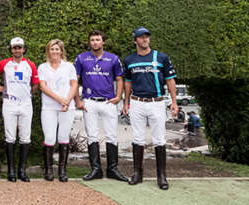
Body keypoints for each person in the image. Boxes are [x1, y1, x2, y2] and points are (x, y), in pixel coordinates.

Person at [122, 27, 178, 190]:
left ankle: (161, 176)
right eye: (141, 37)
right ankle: (137, 174)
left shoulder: (161, 57)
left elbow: (170, 80)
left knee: (159, 139)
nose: (145, 39)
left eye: (147, 36)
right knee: (138, 139)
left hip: (157, 102)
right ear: (135, 41)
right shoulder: (129, 60)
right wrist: (126, 103)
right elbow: (127, 82)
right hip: (137, 102)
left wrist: (174, 102)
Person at [73, 30, 129, 182]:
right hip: (89, 101)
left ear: (103, 41)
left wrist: (118, 97)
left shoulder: (113, 59)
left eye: (98, 40)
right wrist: (78, 100)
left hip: (108, 101)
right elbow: (74, 80)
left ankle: (113, 169)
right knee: (92, 135)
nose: (95, 42)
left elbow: (119, 79)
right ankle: (96, 170)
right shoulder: (81, 58)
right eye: (92, 40)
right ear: (89, 42)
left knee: (112, 135)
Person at [0, 37, 39, 182]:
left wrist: (27, 95)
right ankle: (11, 171)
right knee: (10, 137)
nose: (17, 50)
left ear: (24, 49)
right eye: (14, 47)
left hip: (26, 104)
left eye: (19, 47)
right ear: (11, 49)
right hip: (9, 103)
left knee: (25, 137)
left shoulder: (30, 65)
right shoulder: (4, 64)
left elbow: (35, 84)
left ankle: (22, 170)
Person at [37, 39, 77, 182]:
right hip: (49, 107)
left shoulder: (69, 66)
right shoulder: (43, 67)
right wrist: (60, 99)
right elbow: (43, 86)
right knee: (49, 138)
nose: (54, 52)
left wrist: (67, 100)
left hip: (67, 107)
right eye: (52, 49)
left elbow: (74, 85)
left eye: (57, 49)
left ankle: (62, 170)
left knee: (63, 137)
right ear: (48, 51)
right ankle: (48, 170)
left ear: (61, 51)